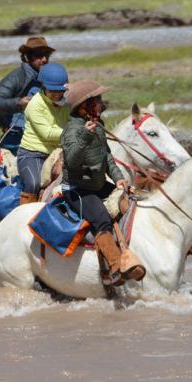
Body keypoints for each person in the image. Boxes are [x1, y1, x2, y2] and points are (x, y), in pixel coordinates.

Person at [61, 80, 138, 286]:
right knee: (102, 219)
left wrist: (118, 177)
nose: (102, 104)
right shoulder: (72, 131)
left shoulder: (98, 126)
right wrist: (85, 136)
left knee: (130, 202)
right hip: (78, 190)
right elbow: (72, 161)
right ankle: (114, 268)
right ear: (84, 106)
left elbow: (107, 156)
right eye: (97, 101)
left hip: (98, 184)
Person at [0, 36, 55, 155]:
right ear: (27, 57)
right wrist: (19, 103)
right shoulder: (16, 77)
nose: (44, 59)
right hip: (16, 140)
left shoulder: (51, 77)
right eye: (39, 55)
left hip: (45, 138)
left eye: (47, 56)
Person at [17, 62, 69, 205]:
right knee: (33, 184)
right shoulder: (34, 105)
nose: (57, 95)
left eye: (60, 91)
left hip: (58, 151)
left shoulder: (66, 103)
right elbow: (46, 133)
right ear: (43, 87)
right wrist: (74, 131)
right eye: (53, 91)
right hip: (33, 154)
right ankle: (22, 217)